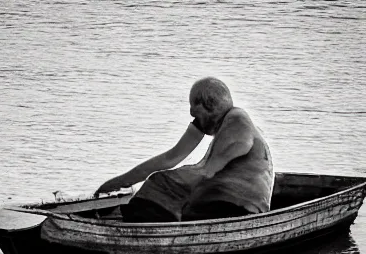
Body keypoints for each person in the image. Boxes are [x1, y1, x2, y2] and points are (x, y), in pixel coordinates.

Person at [95, 77, 274, 222]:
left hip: (240, 207)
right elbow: (169, 158)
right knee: (160, 181)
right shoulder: (213, 121)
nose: (190, 113)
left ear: (209, 106)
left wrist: (163, 184)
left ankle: (138, 223)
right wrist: (119, 182)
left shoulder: (236, 123)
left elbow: (207, 171)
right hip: (219, 199)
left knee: (162, 184)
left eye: (194, 108)